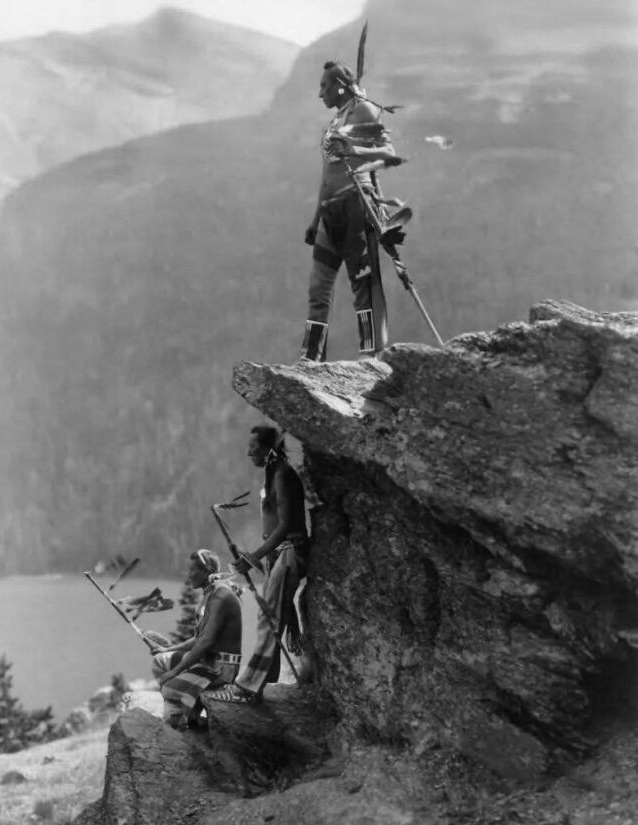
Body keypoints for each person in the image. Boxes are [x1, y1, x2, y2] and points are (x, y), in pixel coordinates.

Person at [299, 59, 398, 361]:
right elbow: (327, 173)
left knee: (363, 287)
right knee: (318, 287)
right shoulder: (335, 121)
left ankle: (370, 355)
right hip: (330, 213)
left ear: (341, 85)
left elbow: (388, 153)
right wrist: (316, 218)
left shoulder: (363, 110)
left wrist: (353, 150)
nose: (320, 94)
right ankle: (311, 356)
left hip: (357, 205)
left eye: (324, 86)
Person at [212, 425, 309, 703]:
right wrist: (258, 557)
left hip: (290, 552)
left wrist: (252, 558)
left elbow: (287, 524)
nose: (248, 452)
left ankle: (249, 685)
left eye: (253, 447)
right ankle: (264, 683)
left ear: (268, 448)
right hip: (279, 553)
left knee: (269, 617)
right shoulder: (274, 472)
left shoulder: (283, 474)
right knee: (270, 616)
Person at [145, 549, 242, 728]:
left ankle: (181, 719)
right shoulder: (211, 593)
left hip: (220, 669)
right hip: (209, 662)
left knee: (168, 688)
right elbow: (199, 638)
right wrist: (167, 650)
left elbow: (206, 641)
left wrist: (175, 672)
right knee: (160, 661)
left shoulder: (220, 596)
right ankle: (187, 715)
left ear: (206, 571)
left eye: (192, 570)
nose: (188, 574)